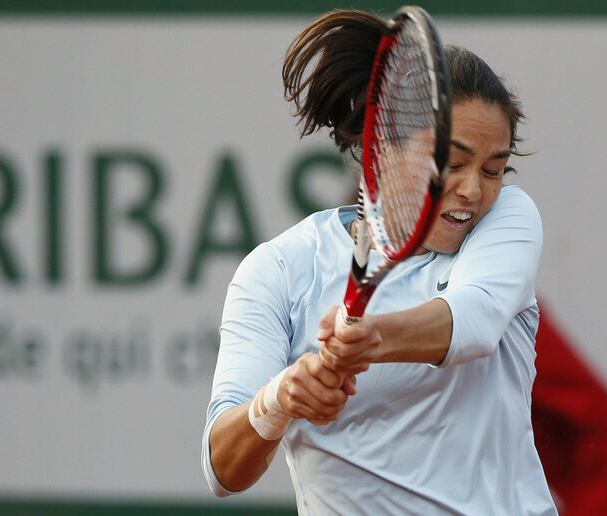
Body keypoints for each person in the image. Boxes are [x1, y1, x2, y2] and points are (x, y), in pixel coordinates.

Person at [201, 9, 558, 515]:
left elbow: (473, 322)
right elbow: (222, 469)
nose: (474, 189)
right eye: (452, 164)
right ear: (382, 150)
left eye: (494, 168)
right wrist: (280, 399)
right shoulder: (278, 271)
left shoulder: (507, 219)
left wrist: (370, 338)